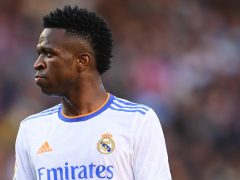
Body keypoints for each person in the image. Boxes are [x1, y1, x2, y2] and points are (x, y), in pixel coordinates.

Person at [14, 5, 171, 180]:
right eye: (39, 53)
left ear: (81, 61)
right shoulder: (31, 129)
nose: (37, 63)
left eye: (49, 54)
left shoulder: (137, 121)